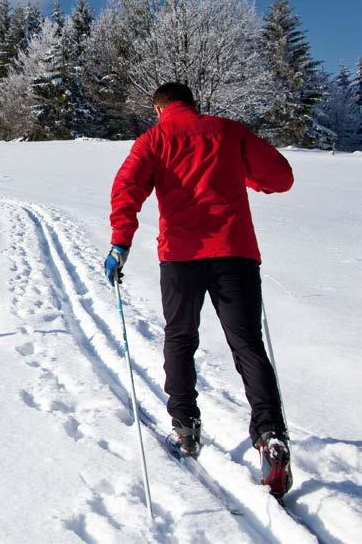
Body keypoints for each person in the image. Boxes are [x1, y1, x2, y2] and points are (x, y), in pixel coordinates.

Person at [104, 82, 294, 498]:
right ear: (194, 103)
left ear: (159, 109)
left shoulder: (153, 140)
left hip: (181, 258)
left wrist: (121, 242)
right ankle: (271, 435)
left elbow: (128, 189)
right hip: (236, 253)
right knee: (247, 344)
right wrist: (242, 174)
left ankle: (186, 428)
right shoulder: (228, 131)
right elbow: (280, 176)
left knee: (180, 337)